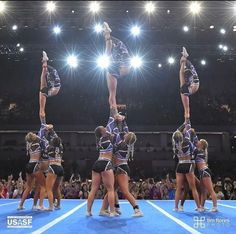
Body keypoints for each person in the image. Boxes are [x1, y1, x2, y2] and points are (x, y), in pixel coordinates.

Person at [100, 118, 143, 217]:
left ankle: (137, 209)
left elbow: (117, 133)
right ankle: (106, 209)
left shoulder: (121, 145)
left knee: (125, 191)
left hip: (121, 168)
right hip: (122, 167)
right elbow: (125, 130)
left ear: (127, 138)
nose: (126, 133)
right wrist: (123, 121)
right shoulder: (127, 143)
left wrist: (115, 119)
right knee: (111, 189)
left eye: (127, 134)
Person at [86, 108, 123, 217]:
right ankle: (112, 211)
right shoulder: (108, 137)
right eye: (104, 129)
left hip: (97, 163)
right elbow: (111, 119)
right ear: (102, 132)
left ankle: (88, 211)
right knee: (111, 189)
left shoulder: (100, 140)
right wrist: (114, 110)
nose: (106, 129)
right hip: (106, 163)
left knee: (93, 189)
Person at [172, 119, 202, 211]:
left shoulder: (175, 143)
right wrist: (187, 122)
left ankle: (176, 207)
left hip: (180, 165)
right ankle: (199, 207)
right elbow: (196, 150)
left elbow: (176, 132)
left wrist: (183, 124)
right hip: (188, 164)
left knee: (178, 188)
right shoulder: (187, 141)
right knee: (193, 188)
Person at [103, 22, 131, 110]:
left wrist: (114, 110)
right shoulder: (113, 72)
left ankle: (107, 34)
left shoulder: (110, 73)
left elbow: (112, 97)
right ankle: (107, 34)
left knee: (112, 94)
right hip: (124, 58)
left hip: (121, 60)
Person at [17, 132, 46, 210]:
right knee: (43, 186)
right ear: (34, 137)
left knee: (29, 187)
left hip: (29, 165)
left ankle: (21, 205)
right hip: (35, 165)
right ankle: (40, 205)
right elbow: (43, 140)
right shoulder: (38, 144)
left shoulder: (29, 145)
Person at [194, 139, 218, 212]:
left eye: (199, 142)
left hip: (204, 171)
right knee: (203, 191)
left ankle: (215, 207)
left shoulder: (199, 151)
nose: (197, 142)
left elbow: (192, 145)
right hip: (202, 172)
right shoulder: (200, 151)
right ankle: (201, 206)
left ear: (201, 145)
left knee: (210, 190)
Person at [39, 51, 61, 124]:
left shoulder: (49, 70)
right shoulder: (50, 70)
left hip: (54, 87)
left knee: (41, 109)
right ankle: (43, 123)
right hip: (53, 86)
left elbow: (45, 68)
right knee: (42, 83)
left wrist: (45, 60)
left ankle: (43, 124)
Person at [179, 47, 199, 121]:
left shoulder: (183, 92)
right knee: (181, 72)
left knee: (181, 72)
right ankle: (185, 57)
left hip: (193, 84)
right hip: (194, 84)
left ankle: (185, 57)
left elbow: (187, 110)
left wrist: (186, 120)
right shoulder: (188, 66)